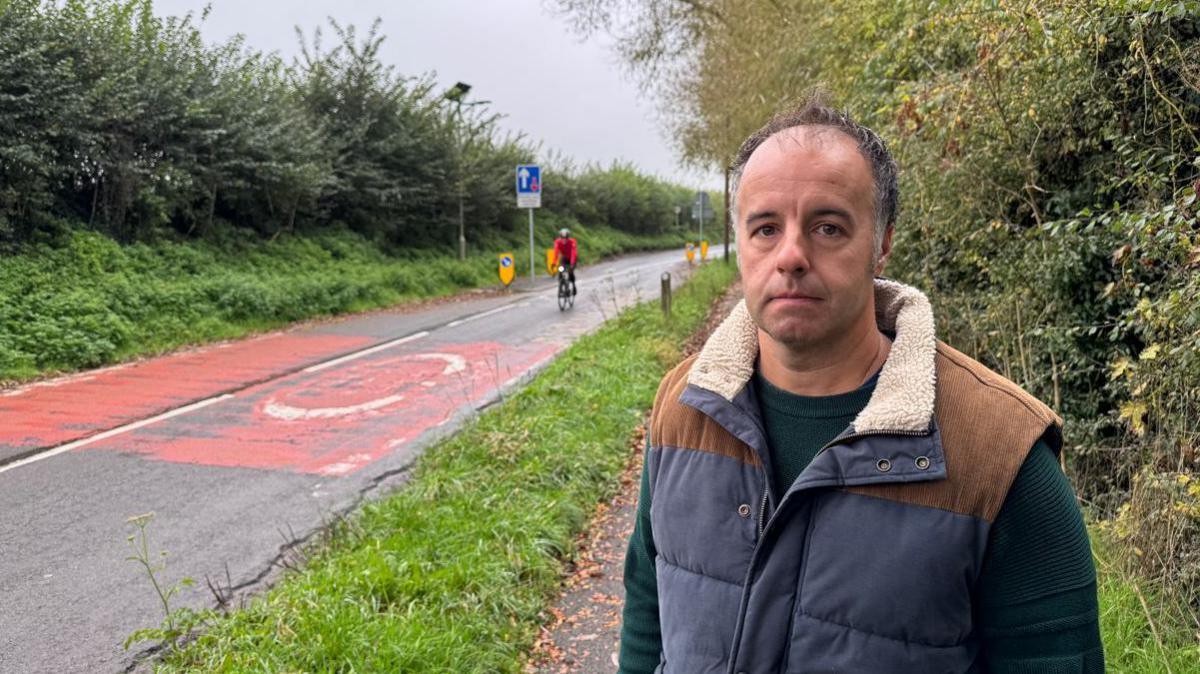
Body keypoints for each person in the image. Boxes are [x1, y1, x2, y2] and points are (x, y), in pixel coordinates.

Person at [618, 97, 1104, 673]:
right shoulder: (684, 407)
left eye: (828, 227)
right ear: (740, 245)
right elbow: (648, 624)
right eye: (765, 228)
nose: (791, 255)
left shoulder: (1000, 457)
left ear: (883, 242)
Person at [554, 227, 578, 296]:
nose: (564, 239)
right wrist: (554, 263)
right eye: (562, 238)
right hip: (564, 258)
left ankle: (573, 285)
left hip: (572, 258)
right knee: (560, 270)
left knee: (570, 272)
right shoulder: (557, 242)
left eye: (565, 238)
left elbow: (573, 253)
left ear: (568, 237)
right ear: (560, 237)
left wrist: (572, 264)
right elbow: (556, 252)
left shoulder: (572, 241)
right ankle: (561, 286)